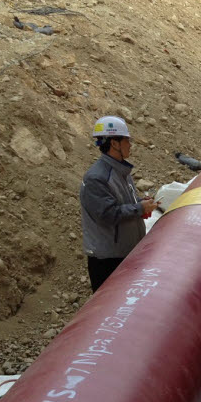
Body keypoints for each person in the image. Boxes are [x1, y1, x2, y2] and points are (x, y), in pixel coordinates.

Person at [79, 116, 156, 291]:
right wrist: (138, 208)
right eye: (127, 140)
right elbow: (108, 214)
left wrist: (140, 205)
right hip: (108, 260)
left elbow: (125, 202)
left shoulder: (121, 171)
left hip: (125, 252)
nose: (130, 144)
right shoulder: (96, 178)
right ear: (114, 143)